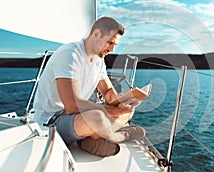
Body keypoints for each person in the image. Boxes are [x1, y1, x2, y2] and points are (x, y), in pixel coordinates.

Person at [33, 16, 145, 157]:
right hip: (51, 121)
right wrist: (111, 111)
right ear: (96, 34)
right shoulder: (70, 54)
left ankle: (90, 138)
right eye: (110, 42)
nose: (111, 49)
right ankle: (117, 136)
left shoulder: (98, 61)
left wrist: (123, 100)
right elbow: (72, 106)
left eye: (114, 45)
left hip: (76, 117)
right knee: (97, 117)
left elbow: (109, 92)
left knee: (128, 111)